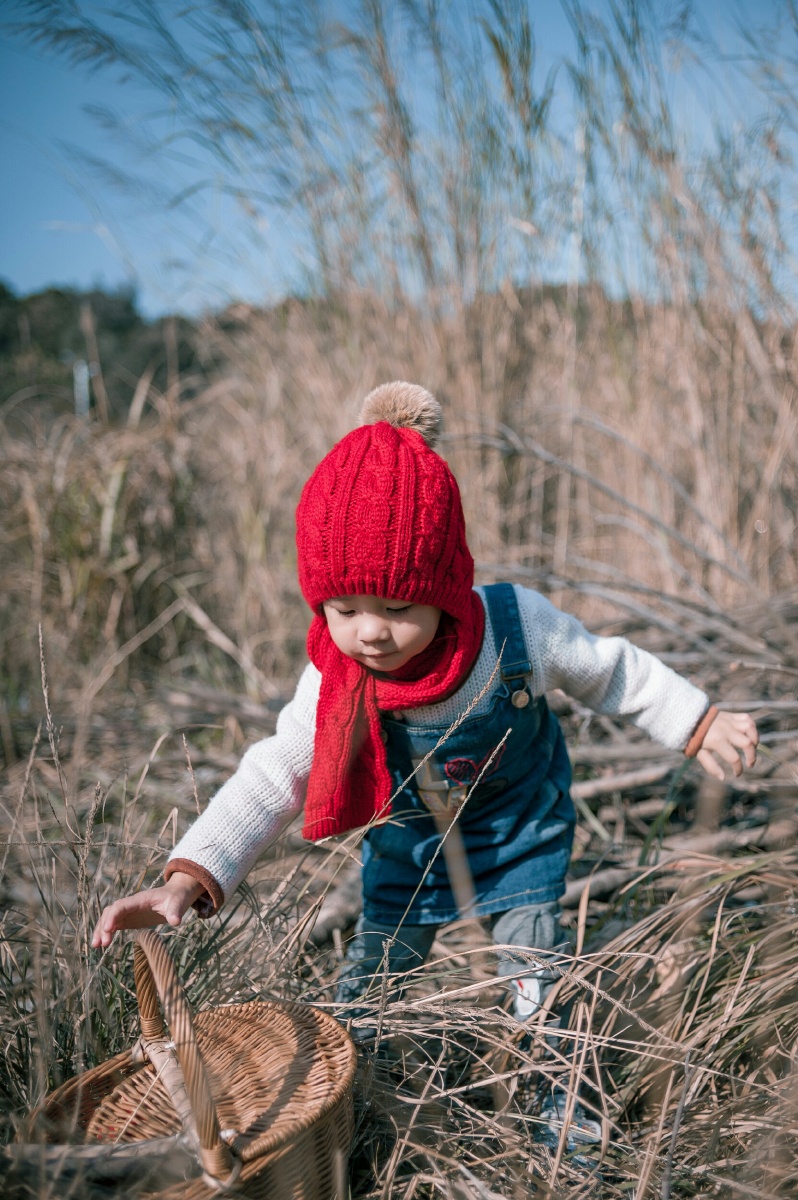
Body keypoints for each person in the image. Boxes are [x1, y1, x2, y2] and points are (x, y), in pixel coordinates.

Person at [91, 382, 758, 1140]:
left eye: (397, 607)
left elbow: (613, 671)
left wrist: (696, 723)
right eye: (343, 609)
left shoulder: (515, 629)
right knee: (367, 995)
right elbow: (276, 772)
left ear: (444, 588)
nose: (370, 633)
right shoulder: (336, 680)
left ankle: (564, 1123)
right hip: (408, 855)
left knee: (538, 986)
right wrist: (190, 875)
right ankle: (352, 1124)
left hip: (518, 840)